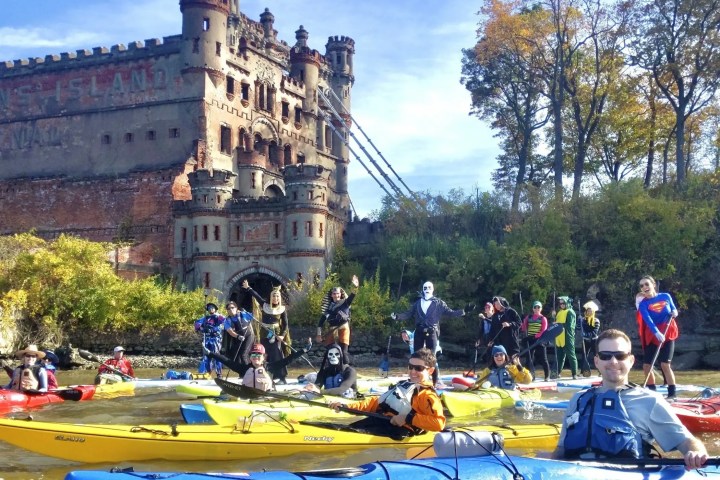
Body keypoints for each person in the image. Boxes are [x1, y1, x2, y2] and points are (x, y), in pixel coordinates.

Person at [553, 329, 707, 469]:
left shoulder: (650, 401)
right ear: (596, 361)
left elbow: (687, 441)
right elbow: (560, 451)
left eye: (620, 356)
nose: (613, 361)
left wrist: (696, 453)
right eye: (606, 356)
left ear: (631, 361)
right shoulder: (578, 399)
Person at [328, 348, 445, 438]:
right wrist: (346, 406)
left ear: (430, 370)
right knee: (339, 428)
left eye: (418, 368)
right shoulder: (403, 385)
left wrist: (407, 418)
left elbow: (439, 423)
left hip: (398, 430)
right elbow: (375, 403)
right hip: (380, 420)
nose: (413, 371)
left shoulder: (427, 395)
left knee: (348, 433)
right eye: (410, 366)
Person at [391, 281, 472, 384]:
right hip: (419, 331)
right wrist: (397, 316)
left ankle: (434, 382)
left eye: (429, 288)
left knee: (432, 357)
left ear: (433, 289)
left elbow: (450, 313)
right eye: (425, 288)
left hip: (432, 331)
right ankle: (415, 380)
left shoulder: (439, 303)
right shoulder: (417, 303)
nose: (427, 290)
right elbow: (408, 314)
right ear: (422, 289)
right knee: (416, 356)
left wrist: (464, 311)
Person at [637, 275, 680, 399]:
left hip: (668, 332)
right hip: (653, 334)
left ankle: (672, 394)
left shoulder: (665, 296)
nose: (644, 287)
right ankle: (652, 392)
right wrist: (656, 332)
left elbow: (673, 309)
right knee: (646, 365)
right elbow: (648, 320)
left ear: (653, 285)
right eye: (641, 285)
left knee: (665, 364)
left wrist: (675, 312)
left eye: (646, 284)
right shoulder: (643, 305)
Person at [242, 280, 292, 384]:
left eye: (277, 296)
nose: (275, 298)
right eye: (274, 296)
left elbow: (286, 325)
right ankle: (264, 374)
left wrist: (282, 335)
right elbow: (256, 295)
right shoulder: (264, 305)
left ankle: (281, 377)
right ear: (270, 297)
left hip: (276, 334)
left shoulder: (282, 309)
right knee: (264, 353)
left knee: (276, 353)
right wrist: (248, 287)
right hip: (265, 333)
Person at [317, 275, 359, 365]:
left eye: (338, 293)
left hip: (343, 328)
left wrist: (355, 286)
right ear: (332, 295)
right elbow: (320, 322)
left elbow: (353, 295)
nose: (336, 295)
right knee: (331, 351)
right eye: (334, 293)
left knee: (343, 351)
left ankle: (346, 369)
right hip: (332, 330)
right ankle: (331, 370)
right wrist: (319, 335)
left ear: (340, 294)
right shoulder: (328, 308)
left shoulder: (346, 303)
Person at [194, 303, 226, 378]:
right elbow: (196, 324)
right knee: (207, 357)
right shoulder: (205, 318)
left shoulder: (219, 317)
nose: (211, 309)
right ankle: (208, 373)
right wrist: (202, 328)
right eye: (209, 308)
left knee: (216, 356)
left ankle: (219, 374)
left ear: (215, 309)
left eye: (212, 307)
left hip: (216, 340)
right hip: (207, 340)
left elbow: (224, 322)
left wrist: (213, 329)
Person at [521, 300, 550, 381]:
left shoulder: (543, 318)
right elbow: (523, 328)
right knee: (529, 359)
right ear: (533, 308)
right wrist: (523, 320)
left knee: (543, 359)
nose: (537, 308)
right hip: (530, 340)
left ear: (541, 308)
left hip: (540, 341)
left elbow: (544, 330)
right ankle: (530, 376)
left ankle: (547, 376)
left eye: (538, 307)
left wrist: (536, 336)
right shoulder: (528, 317)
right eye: (535, 307)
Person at [223, 301, 255, 376]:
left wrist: (248, 312)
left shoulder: (243, 314)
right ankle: (242, 373)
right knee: (237, 357)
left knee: (244, 354)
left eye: (232, 308)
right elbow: (230, 331)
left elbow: (256, 315)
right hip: (238, 338)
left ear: (236, 308)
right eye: (228, 308)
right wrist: (238, 336)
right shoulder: (227, 320)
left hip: (248, 336)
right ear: (227, 310)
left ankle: (250, 373)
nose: (231, 310)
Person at [552, 296, 578, 379]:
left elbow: (569, 326)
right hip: (559, 336)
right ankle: (558, 372)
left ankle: (574, 374)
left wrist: (558, 324)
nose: (562, 305)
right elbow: (556, 322)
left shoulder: (571, 312)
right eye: (560, 303)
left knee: (571, 355)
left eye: (563, 303)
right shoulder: (559, 312)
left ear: (567, 303)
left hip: (567, 336)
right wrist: (554, 317)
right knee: (560, 356)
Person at [580, 300, 601, 375]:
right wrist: (579, 321)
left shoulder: (596, 321)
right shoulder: (583, 320)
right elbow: (578, 327)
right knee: (584, 355)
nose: (589, 312)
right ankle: (583, 371)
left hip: (593, 340)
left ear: (593, 312)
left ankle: (600, 371)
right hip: (585, 341)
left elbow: (594, 332)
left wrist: (585, 334)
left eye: (590, 311)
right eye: (588, 311)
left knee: (596, 355)